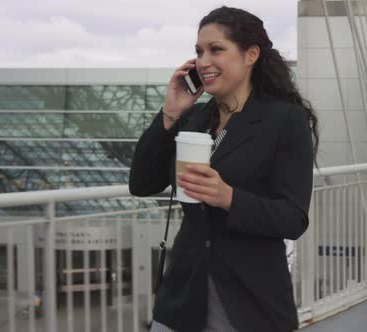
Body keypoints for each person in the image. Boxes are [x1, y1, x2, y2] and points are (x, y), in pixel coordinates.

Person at [129, 6, 318, 332]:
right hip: (184, 291)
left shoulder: (284, 120)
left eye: (216, 50)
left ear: (251, 54)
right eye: (199, 52)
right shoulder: (195, 118)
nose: (203, 62)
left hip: (249, 297)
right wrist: (170, 114)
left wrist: (228, 197)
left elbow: (293, 218)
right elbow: (142, 183)